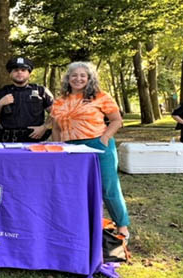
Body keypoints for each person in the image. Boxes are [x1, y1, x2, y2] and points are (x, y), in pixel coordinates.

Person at [51, 61, 130, 239]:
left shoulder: (101, 97)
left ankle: (122, 225)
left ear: (89, 78)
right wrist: (57, 149)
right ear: (68, 78)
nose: (78, 79)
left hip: (98, 145)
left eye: (82, 76)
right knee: (75, 187)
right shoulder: (59, 101)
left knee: (108, 187)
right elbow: (56, 128)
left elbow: (117, 120)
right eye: (74, 75)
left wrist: (104, 138)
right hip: (69, 148)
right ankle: (81, 225)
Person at [0, 57, 54, 142]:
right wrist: (0, 104)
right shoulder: (1, 93)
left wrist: (44, 128)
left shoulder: (41, 91)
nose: (19, 72)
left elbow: (57, 112)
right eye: (15, 70)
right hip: (9, 140)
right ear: (10, 73)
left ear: (29, 73)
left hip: (36, 138)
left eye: (23, 70)